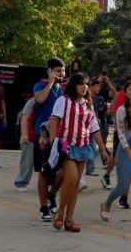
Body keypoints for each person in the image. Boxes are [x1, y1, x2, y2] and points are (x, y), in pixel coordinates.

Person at [46, 72, 109, 232]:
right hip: (66, 146)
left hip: (83, 146)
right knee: (72, 179)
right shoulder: (64, 100)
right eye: (82, 83)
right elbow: (54, 120)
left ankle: (70, 218)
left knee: (75, 185)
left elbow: (94, 127)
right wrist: (54, 143)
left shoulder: (88, 104)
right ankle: (60, 214)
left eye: (87, 84)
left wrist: (102, 149)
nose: (85, 87)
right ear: (74, 85)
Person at [100, 80, 131, 227]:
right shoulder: (121, 110)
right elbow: (121, 133)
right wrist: (128, 151)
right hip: (126, 148)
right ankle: (106, 204)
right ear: (125, 92)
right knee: (123, 186)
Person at [32, 58, 66, 222]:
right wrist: (50, 83)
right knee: (44, 172)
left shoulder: (64, 89)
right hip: (43, 135)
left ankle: (52, 195)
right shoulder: (40, 86)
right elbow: (39, 99)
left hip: (61, 136)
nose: (61, 74)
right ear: (49, 71)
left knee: (64, 171)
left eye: (63, 71)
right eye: (58, 71)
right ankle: (43, 207)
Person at [86, 75, 114, 178]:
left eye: (99, 86)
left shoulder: (100, 97)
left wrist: (108, 82)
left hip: (99, 125)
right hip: (86, 127)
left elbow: (114, 93)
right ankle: (90, 168)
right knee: (90, 146)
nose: (98, 88)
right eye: (96, 86)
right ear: (91, 86)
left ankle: (93, 167)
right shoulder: (85, 97)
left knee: (96, 145)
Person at [14, 96, 35, 190]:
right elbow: (24, 117)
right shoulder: (33, 101)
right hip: (31, 136)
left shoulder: (60, 100)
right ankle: (21, 182)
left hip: (49, 136)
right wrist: (24, 134)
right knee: (27, 161)